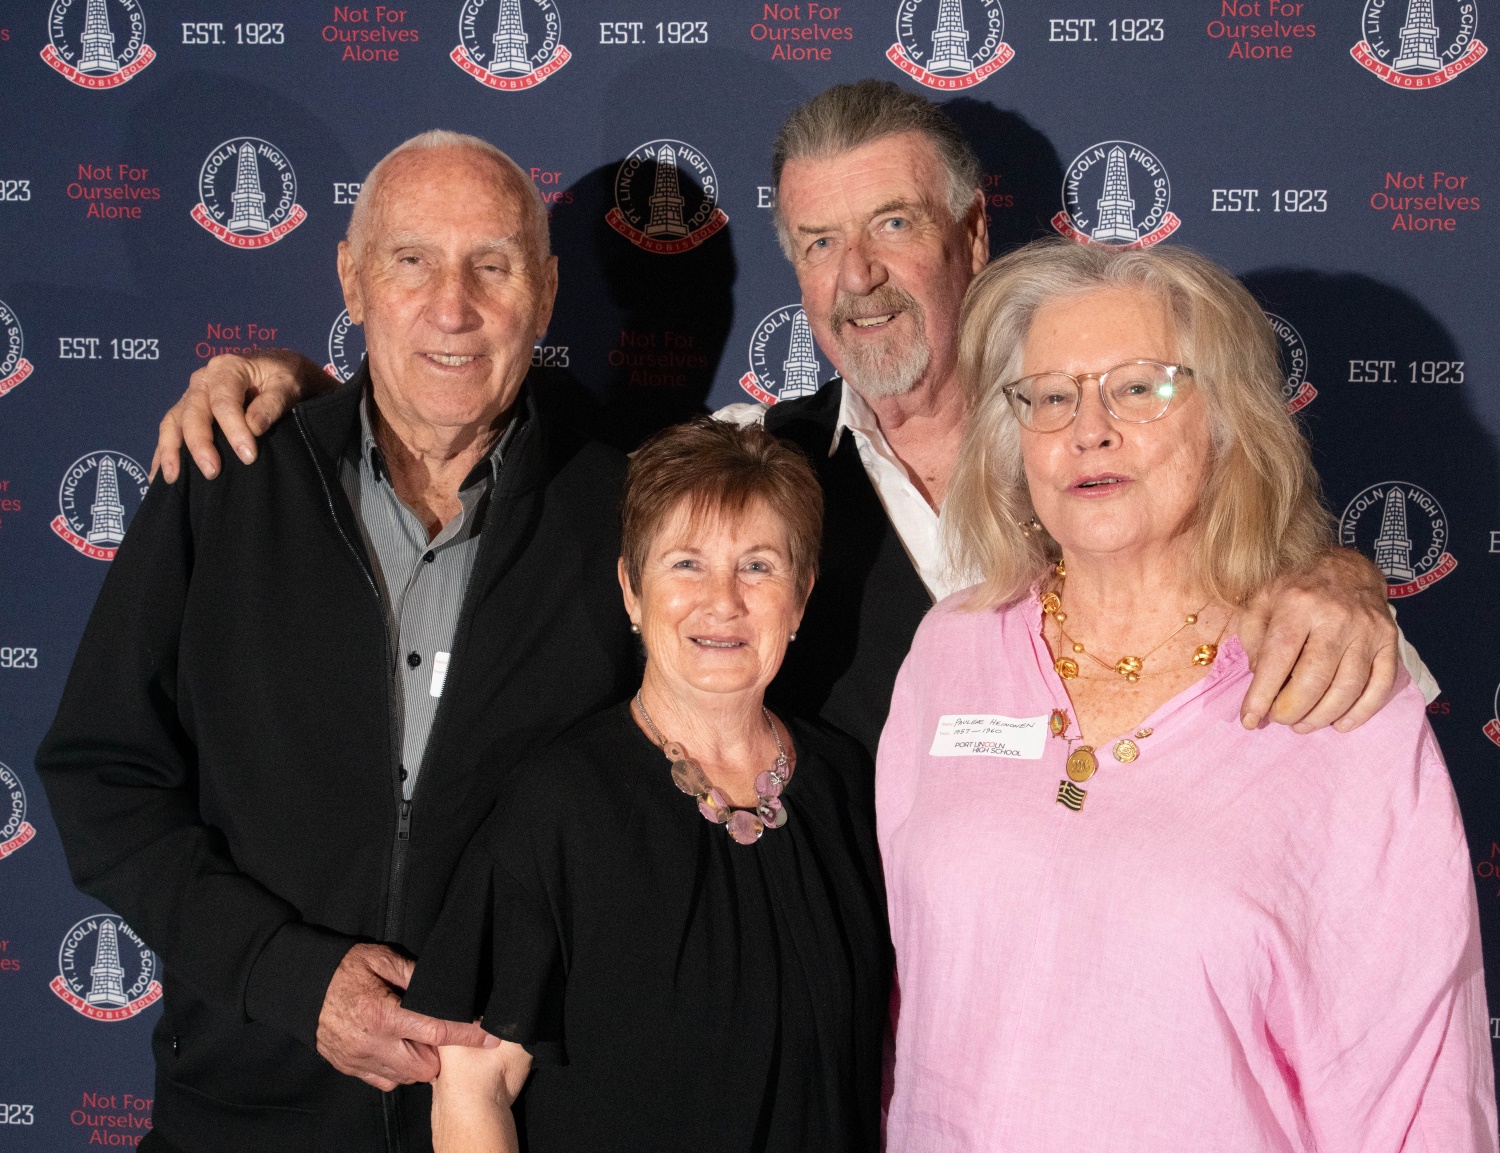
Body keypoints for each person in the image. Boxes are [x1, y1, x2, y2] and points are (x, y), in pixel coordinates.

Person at [148, 82, 1420, 762]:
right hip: (854, 1038)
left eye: (892, 226)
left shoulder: (1103, 450)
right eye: (818, 242)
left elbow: (1261, 560)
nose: (857, 276)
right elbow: (483, 431)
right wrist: (306, 387)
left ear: (974, 233)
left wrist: (1334, 572)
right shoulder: (751, 461)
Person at [36, 132, 638, 1153]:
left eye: (492, 266)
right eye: (412, 262)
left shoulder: (630, 515)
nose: (452, 307)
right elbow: (104, 777)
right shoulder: (224, 480)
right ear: (353, 282)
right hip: (243, 1118)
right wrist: (284, 974)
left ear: (543, 296)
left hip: (512, 1125)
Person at [877, 238, 1495, 1149]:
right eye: (1050, 397)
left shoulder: (1334, 686)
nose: (1089, 430)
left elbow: (1417, 1092)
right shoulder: (951, 651)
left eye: (1138, 388)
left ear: (1228, 421)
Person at [401, 418, 890, 1153]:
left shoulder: (847, 787)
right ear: (631, 589)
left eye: (758, 566)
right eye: (687, 563)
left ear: (801, 596)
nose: (723, 600)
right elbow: (474, 1087)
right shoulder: (559, 806)